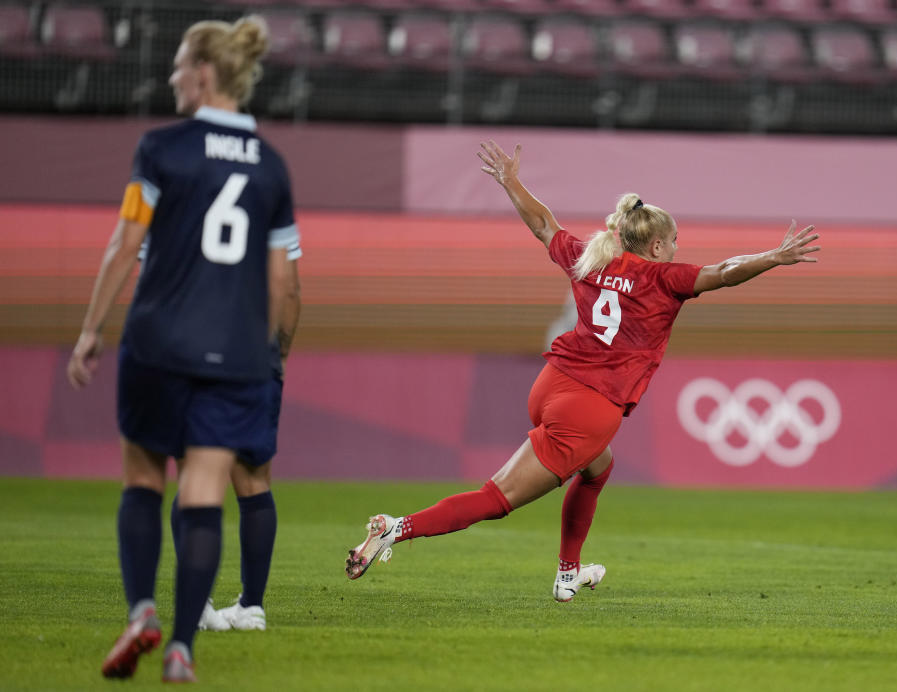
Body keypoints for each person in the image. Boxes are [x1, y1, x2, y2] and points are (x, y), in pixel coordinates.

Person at [345, 140, 820, 601]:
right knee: (496, 498)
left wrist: (511, 181)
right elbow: (724, 270)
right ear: (656, 245)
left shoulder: (590, 258)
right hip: (590, 406)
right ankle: (395, 528)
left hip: (552, 386)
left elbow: (542, 224)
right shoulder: (664, 277)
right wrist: (773, 258)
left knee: (598, 468)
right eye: (674, 241)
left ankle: (569, 574)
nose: (678, 248)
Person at [66, 15, 299, 683]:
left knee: (143, 480)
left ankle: (143, 610)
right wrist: (257, 356)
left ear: (203, 73)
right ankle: (183, 651)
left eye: (176, 66)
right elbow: (281, 283)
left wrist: (89, 330)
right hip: (236, 357)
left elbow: (124, 244)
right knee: (204, 493)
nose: (170, 77)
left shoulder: (160, 150)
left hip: (159, 343)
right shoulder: (273, 168)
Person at [171, 241, 300, 634]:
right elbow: (289, 288)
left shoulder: (182, 189)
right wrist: (277, 357)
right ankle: (252, 608)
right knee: (255, 480)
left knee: (195, 475)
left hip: (194, 348)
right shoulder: (270, 191)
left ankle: (197, 603)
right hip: (255, 352)